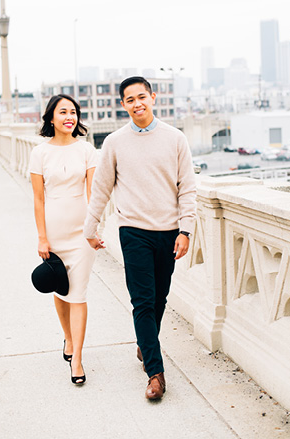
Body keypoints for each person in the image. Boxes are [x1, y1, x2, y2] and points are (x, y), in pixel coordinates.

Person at [83, 76, 196, 401]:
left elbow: (187, 188)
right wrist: (90, 229)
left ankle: (144, 344)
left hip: (168, 232)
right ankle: (156, 374)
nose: (137, 104)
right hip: (133, 232)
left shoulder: (175, 139)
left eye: (142, 97)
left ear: (153, 98)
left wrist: (186, 229)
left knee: (159, 299)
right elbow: (101, 188)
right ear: (123, 104)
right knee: (142, 302)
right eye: (130, 99)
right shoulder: (115, 142)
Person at [29, 94, 101, 386]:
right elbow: (37, 198)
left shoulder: (87, 150)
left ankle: (79, 359)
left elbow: (93, 195)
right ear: (51, 118)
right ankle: (68, 339)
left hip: (81, 234)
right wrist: (42, 238)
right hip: (54, 234)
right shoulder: (40, 153)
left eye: (73, 112)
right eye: (63, 112)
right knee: (61, 290)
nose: (69, 117)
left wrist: (93, 231)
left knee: (79, 294)